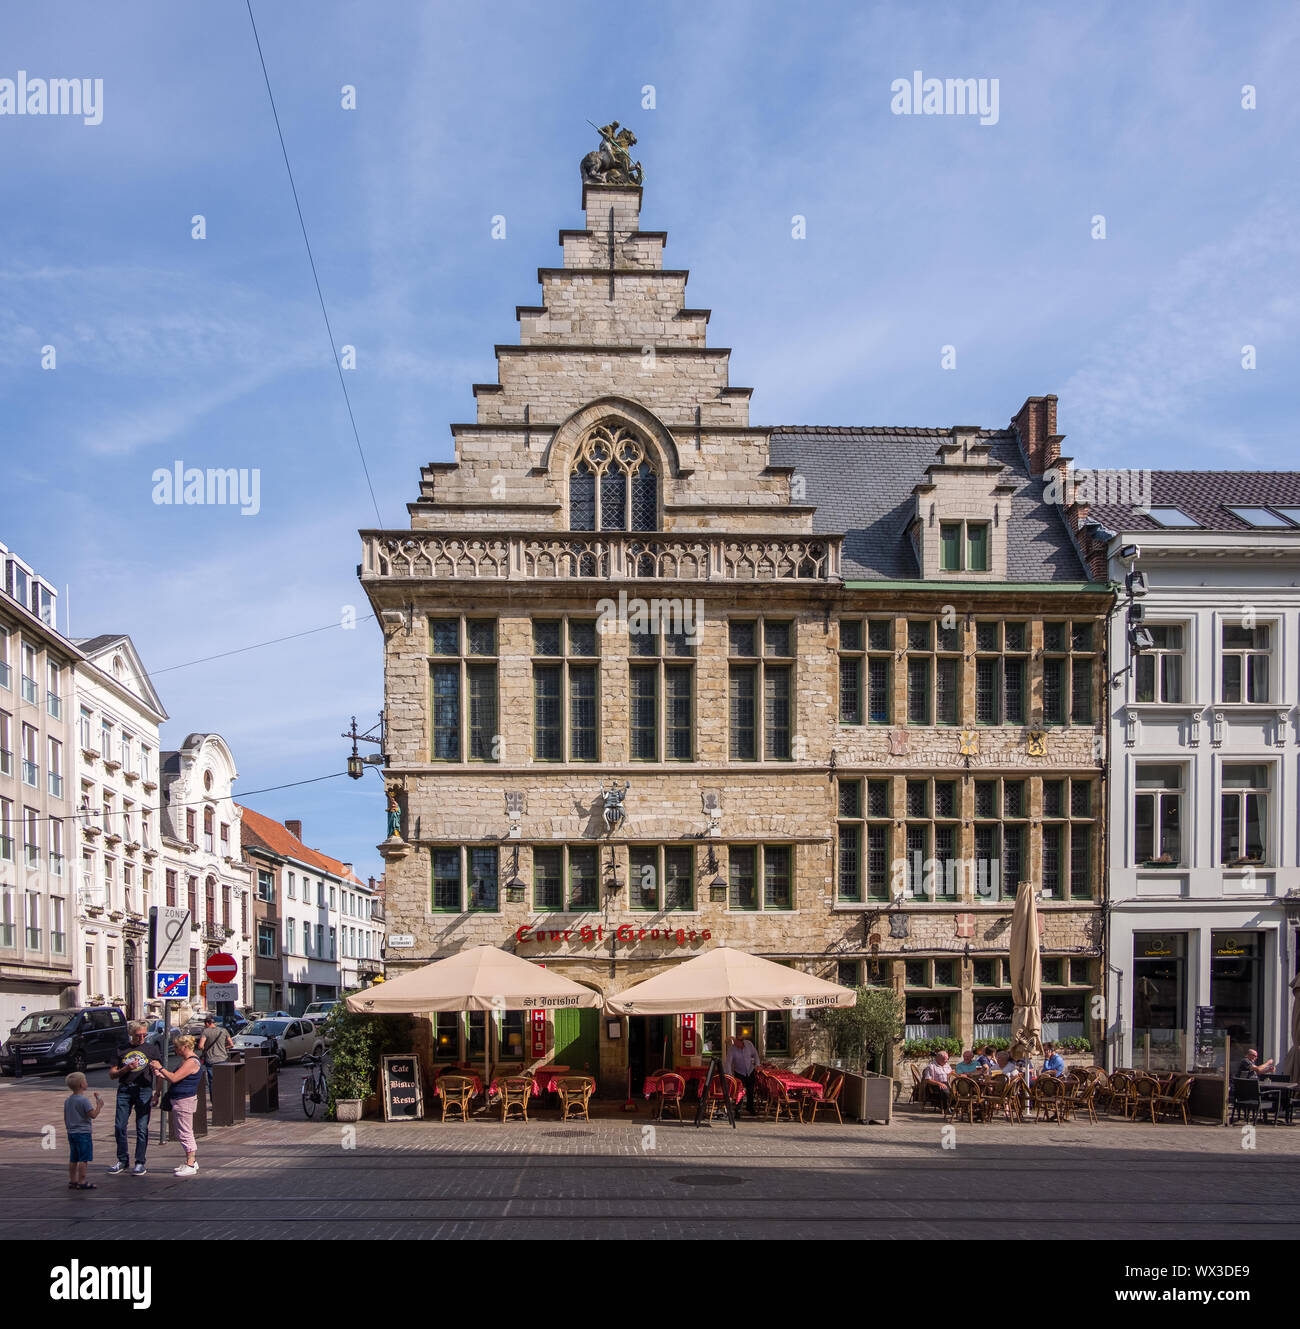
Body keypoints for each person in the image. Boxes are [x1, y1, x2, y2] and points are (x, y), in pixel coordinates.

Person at [107, 1020, 162, 1176]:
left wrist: (156, 1093)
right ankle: (122, 1160)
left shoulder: (151, 1050)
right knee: (119, 1126)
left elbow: (159, 1073)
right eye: (138, 1035)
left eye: (145, 1034)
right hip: (125, 1089)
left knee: (141, 1127)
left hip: (144, 1090)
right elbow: (112, 1074)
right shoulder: (121, 1049)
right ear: (131, 1034)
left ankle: (140, 1162)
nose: (142, 1038)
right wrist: (126, 1068)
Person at [151, 1034, 203, 1177]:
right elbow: (173, 1076)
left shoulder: (191, 1062)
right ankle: (192, 1160)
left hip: (184, 1100)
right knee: (183, 1131)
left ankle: (190, 1163)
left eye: (177, 1047)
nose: (175, 1050)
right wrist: (161, 1073)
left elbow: (174, 1078)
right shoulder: (185, 1060)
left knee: (184, 1132)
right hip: (180, 1099)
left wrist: (161, 1068)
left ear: (185, 1047)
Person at [64, 1072, 104, 1190]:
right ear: (82, 1084)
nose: (87, 1082)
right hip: (83, 1133)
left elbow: (66, 1116)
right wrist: (99, 1105)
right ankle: (82, 1181)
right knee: (83, 1158)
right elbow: (93, 1115)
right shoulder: (84, 1100)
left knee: (73, 1158)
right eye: (85, 1081)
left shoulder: (68, 1100)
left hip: (72, 1132)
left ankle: (73, 1180)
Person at [723, 1031, 760, 1116]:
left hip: (750, 1071)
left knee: (750, 1090)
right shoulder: (732, 1049)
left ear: (742, 1041)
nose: (736, 1045)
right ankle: (738, 1110)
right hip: (739, 1072)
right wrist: (730, 1075)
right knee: (739, 1091)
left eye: (738, 1043)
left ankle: (750, 1108)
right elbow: (728, 1063)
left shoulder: (749, 1044)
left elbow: (755, 1054)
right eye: (735, 1043)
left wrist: (757, 1065)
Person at [197, 1014, 232, 1096]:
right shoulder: (223, 1030)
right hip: (223, 1059)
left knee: (212, 1082)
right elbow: (231, 1044)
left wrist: (205, 1050)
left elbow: (200, 1046)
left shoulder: (206, 1031)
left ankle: (214, 1103)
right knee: (223, 1081)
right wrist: (223, 1047)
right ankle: (225, 1100)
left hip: (211, 1060)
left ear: (207, 1023)